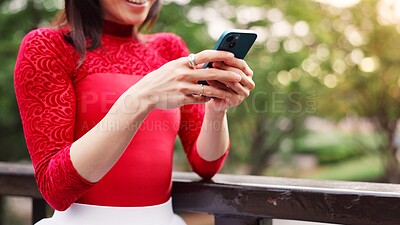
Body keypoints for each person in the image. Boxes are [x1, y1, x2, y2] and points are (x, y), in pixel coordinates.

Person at [14, 0, 255, 224]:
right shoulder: (47, 45)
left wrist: (216, 108)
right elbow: (56, 188)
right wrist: (142, 98)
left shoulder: (169, 48)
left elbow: (205, 164)